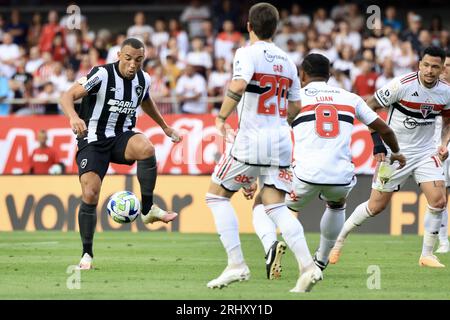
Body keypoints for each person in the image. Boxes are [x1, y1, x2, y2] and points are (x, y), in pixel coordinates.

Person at [244, 53, 405, 273]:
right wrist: (396, 152)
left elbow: (269, 137)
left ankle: (271, 244)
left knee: (263, 204)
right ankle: (321, 258)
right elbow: (384, 129)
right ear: (329, 74)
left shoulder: (294, 100)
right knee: (336, 205)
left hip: (304, 175)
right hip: (341, 177)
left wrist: (254, 175)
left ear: (302, 74)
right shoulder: (351, 98)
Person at [205, 3, 319, 293]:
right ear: (276, 29)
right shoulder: (289, 62)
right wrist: (278, 120)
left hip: (251, 138)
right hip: (280, 139)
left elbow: (240, 83)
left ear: (249, 26)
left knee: (216, 197)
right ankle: (308, 267)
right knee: (276, 206)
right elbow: (295, 106)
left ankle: (236, 265)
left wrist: (220, 117)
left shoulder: (246, 53)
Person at [60, 38, 182, 270]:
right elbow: (67, 97)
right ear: (119, 55)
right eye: (128, 59)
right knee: (90, 193)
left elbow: (146, 103)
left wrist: (165, 127)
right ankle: (87, 255)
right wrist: (74, 117)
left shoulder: (143, 79)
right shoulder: (102, 75)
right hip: (93, 139)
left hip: (120, 137)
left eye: (138, 60)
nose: (133, 64)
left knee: (146, 148)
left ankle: (147, 210)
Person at [329, 46, 450, 268]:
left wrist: (443, 144)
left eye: (435, 66)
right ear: (419, 64)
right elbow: (369, 107)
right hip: (397, 153)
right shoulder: (401, 85)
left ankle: (427, 255)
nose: (430, 70)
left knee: (439, 201)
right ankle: (339, 240)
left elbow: (447, 120)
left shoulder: (446, 92)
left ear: (442, 68)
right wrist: (378, 145)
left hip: (425, 152)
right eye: (426, 65)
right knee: (375, 207)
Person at [433, 52, 450, 253]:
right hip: (440, 146)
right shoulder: (434, 91)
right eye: (443, 65)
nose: (445, 68)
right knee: (441, 193)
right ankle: (443, 241)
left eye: (448, 65)